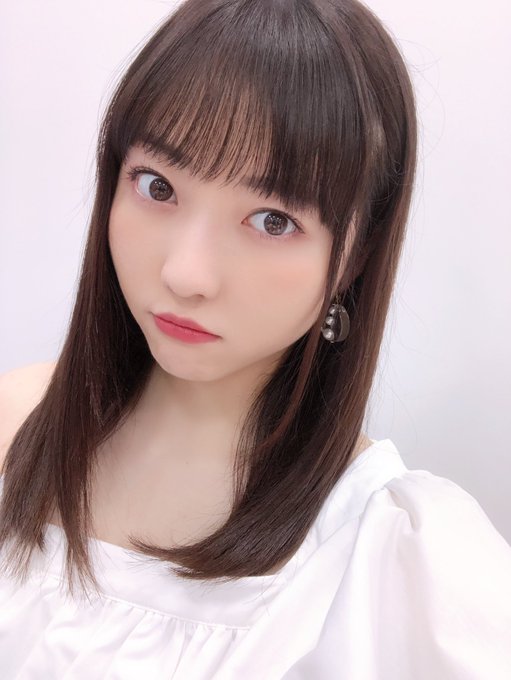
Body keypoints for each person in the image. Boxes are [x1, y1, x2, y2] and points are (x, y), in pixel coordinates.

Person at [0, 0, 510, 677]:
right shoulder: (17, 422)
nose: (185, 274)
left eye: (272, 221)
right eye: (157, 186)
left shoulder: (393, 557)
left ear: (355, 255)